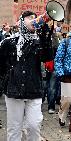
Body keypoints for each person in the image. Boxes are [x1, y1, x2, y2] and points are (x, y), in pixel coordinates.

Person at [0, 11, 53, 141]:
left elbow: (47, 57)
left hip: (34, 89)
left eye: (35, 18)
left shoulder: (39, 41)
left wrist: (45, 36)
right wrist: (6, 80)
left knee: (34, 125)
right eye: (30, 18)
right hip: (14, 90)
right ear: (22, 21)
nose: (34, 20)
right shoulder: (9, 41)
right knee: (14, 127)